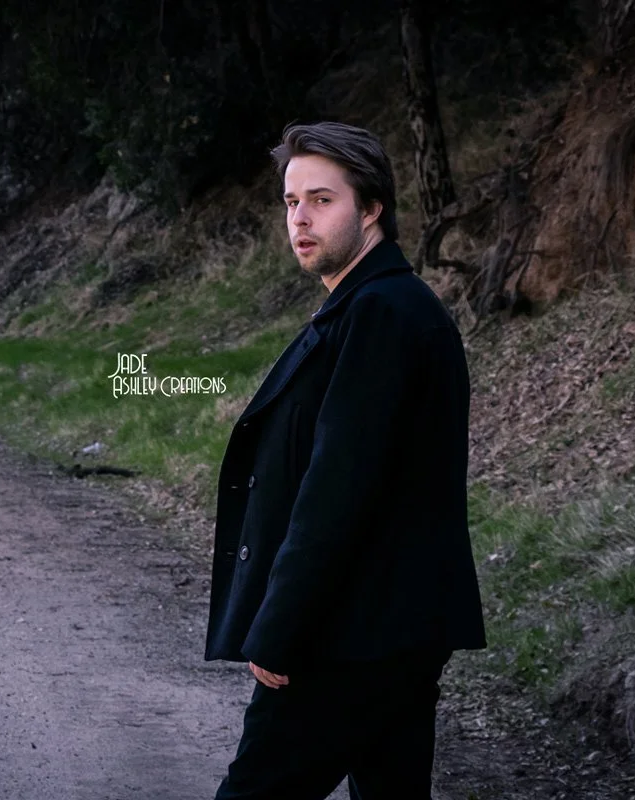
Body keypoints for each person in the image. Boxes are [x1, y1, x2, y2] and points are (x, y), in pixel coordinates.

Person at [205, 121, 487, 799]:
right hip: (388, 630)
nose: (299, 218)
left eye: (321, 200)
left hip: (348, 639)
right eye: (291, 201)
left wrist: (277, 630)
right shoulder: (370, 308)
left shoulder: (382, 316)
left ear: (371, 208)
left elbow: (338, 488)